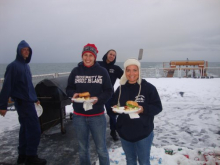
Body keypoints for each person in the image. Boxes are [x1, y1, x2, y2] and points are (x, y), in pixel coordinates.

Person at [0, 40, 47, 165]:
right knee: (35, 129)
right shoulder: (13, 66)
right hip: (22, 103)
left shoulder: (26, 66)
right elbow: (7, 86)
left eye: (28, 50)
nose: (26, 52)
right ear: (19, 51)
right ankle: (31, 157)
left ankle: (22, 155)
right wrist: (3, 105)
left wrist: (35, 98)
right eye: (23, 50)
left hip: (28, 101)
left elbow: (29, 86)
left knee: (25, 129)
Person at [66, 43, 113, 165]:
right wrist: (73, 94)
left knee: (101, 149)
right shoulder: (76, 71)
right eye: (85, 55)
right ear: (82, 56)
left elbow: (109, 91)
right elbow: (69, 88)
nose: (87, 58)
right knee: (82, 149)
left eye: (90, 55)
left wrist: (98, 98)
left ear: (95, 57)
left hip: (97, 116)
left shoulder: (102, 71)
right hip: (79, 116)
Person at [112, 58, 162, 165]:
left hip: (143, 133)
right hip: (125, 133)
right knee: (130, 161)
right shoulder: (120, 89)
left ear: (139, 71)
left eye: (135, 70)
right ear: (125, 72)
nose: (131, 73)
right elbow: (112, 106)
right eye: (128, 70)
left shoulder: (148, 88)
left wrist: (144, 109)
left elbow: (158, 107)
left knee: (144, 162)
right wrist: (115, 109)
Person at [98, 49, 123, 141]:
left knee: (112, 113)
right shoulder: (98, 64)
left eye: (114, 55)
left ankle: (113, 131)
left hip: (109, 94)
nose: (112, 56)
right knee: (95, 113)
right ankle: (94, 131)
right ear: (106, 54)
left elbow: (125, 78)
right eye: (110, 54)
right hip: (97, 93)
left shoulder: (116, 68)